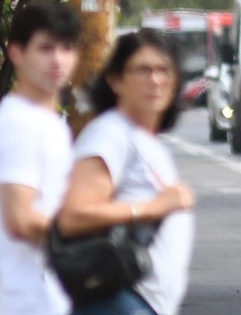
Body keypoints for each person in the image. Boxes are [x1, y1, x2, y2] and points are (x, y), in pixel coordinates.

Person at [55, 29, 196, 315]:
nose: (155, 80)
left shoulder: (142, 138)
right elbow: (73, 216)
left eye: (164, 70)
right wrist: (152, 208)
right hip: (120, 300)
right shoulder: (110, 134)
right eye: (143, 70)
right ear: (115, 79)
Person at [0, 1, 82, 314]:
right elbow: (21, 219)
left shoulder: (47, 121)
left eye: (66, 48)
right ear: (16, 53)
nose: (57, 60)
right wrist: (91, 235)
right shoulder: (19, 124)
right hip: (28, 301)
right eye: (46, 48)